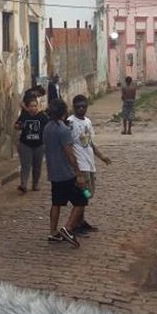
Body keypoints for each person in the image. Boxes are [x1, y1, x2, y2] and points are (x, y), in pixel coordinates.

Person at [42, 98, 87, 249]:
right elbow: (70, 154)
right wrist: (79, 173)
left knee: (56, 203)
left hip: (53, 173)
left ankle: (52, 232)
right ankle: (67, 229)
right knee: (82, 200)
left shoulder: (47, 127)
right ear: (63, 112)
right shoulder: (63, 129)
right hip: (66, 174)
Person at [67, 95, 111, 235]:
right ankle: (74, 225)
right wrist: (74, 168)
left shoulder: (88, 122)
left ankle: (81, 221)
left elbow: (90, 142)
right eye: (78, 106)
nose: (81, 109)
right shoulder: (70, 123)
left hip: (90, 163)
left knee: (87, 195)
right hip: (80, 166)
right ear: (73, 107)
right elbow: (67, 146)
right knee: (83, 195)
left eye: (83, 106)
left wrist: (102, 156)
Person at [14, 95, 49, 193]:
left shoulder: (42, 116)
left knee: (37, 166)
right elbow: (16, 126)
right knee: (25, 165)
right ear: (28, 107)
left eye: (35, 105)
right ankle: (23, 184)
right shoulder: (24, 115)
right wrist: (19, 126)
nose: (33, 108)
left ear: (38, 106)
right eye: (31, 106)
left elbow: (48, 127)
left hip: (39, 144)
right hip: (25, 144)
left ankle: (35, 184)